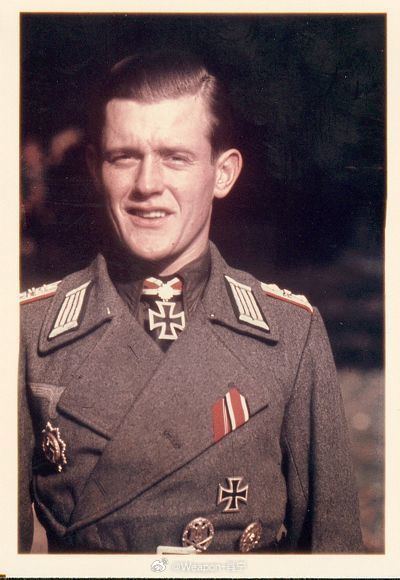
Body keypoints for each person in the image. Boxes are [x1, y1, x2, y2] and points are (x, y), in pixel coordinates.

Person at [19, 50, 363, 554]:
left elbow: (334, 552)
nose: (147, 185)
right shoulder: (28, 334)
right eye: (124, 157)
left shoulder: (292, 335)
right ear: (95, 168)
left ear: (223, 173)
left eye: (175, 157)